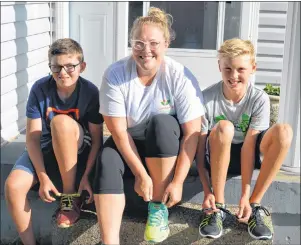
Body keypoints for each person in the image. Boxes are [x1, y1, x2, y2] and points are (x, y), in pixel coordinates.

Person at [93, 7, 204, 244]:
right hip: (130, 142)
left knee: (162, 123)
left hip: (165, 147)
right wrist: (140, 173)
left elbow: (192, 134)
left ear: (166, 44)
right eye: (138, 43)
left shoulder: (180, 76)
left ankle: (157, 208)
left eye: (153, 43)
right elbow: (118, 131)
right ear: (131, 44)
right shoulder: (115, 74)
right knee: (106, 160)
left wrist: (178, 182)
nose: (146, 51)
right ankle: (109, 240)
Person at [5, 38, 103, 245]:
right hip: (46, 145)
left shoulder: (90, 92)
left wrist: (86, 175)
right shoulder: (40, 89)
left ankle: (69, 198)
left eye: (70, 66)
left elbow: (96, 140)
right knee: (13, 187)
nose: (63, 72)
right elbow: (32, 138)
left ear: (82, 67)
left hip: (76, 144)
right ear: (50, 66)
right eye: (56, 67)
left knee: (60, 123)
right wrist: (42, 176)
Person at [196, 38, 293, 240]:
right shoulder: (206, 98)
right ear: (219, 67)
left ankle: (255, 206)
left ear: (253, 68)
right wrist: (207, 192)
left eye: (241, 69)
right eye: (228, 68)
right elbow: (199, 148)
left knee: (284, 131)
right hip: (216, 155)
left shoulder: (259, 98)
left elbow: (249, 147)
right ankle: (218, 208)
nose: (234, 75)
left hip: (246, 155)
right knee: (224, 127)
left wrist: (245, 196)